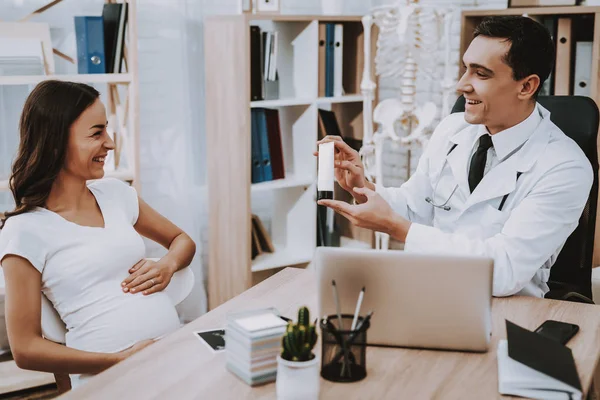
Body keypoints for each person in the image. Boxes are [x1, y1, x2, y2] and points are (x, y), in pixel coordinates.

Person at [316, 16, 593, 298]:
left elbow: (505, 271)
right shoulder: (454, 128)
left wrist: (398, 228)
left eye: (481, 74)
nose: (462, 85)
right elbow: (414, 206)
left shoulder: (565, 167)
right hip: (429, 290)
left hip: (505, 308)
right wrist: (363, 187)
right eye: (465, 69)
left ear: (526, 86)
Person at [0, 80, 196, 389]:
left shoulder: (116, 194)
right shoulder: (24, 231)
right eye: (96, 133)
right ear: (55, 143)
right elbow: (25, 349)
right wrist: (119, 360)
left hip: (171, 362)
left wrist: (167, 265)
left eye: (107, 130)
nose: (110, 143)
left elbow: (182, 240)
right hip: (110, 380)